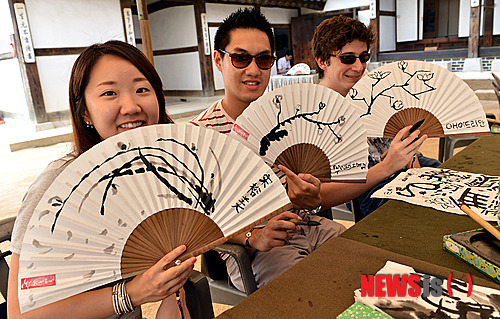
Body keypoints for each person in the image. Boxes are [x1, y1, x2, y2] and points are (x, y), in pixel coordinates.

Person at [8, 41, 197, 319]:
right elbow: (20, 313)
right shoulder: (57, 186)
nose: (131, 106)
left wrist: (169, 291)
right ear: (84, 111)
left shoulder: (156, 175)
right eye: (109, 93)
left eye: (142, 89)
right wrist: (133, 293)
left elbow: (170, 295)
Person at [190, 8, 345, 292]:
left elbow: (307, 191)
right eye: (240, 58)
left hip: (306, 224)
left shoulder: (288, 115)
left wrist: (311, 194)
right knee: (311, 294)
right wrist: (253, 235)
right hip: (256, 251)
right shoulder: (199, 135)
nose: (253, 70)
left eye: (263, 59)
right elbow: (195, 221)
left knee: (360, 270)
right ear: (218, 60)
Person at [309, 15, 441, 220]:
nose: (359, 67)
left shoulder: (374, 90)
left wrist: (411, 160)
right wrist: (389, 167)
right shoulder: (312, 114)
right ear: (322, 61)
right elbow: (317, 196)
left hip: (402, 166)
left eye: (364, 57)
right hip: (367, 185)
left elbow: (401, 143)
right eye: (348, 58)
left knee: (453, 182)